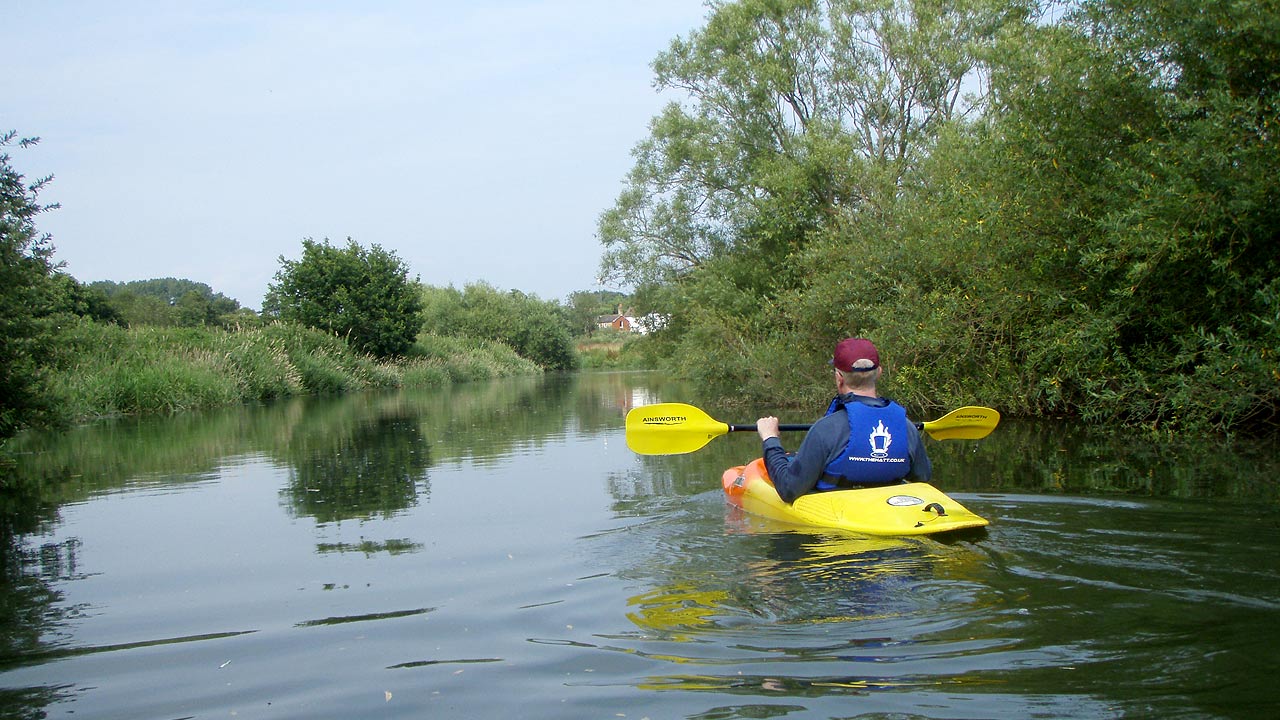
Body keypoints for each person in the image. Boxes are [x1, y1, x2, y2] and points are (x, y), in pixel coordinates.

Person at [756, 337, 932, 503]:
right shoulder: (906, 427)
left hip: (835, 521)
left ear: (839, 377)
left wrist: (770, 439)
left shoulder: (826, 429)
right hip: (888, 513)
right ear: (879, 373)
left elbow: (788, 489)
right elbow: (922, 479)